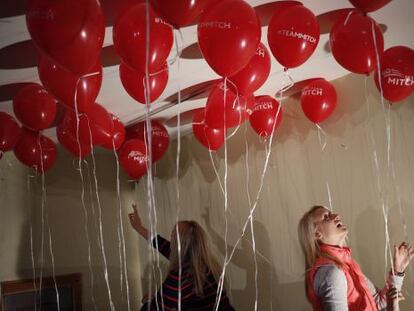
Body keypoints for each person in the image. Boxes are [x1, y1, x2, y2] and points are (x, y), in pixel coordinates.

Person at [298, 205, 414, 311]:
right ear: (317, 234)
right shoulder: (332, 272)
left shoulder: (346, 264)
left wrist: (397, 271)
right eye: (326, 217)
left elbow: (378, 302)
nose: (336, 215)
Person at [129, 204, 235, 311]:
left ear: (180, 247)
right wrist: (139, 228)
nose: (170, 239)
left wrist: (150, 301)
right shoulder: (205, 265)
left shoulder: (179, 280)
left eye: (173, 235)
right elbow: (161, 243)